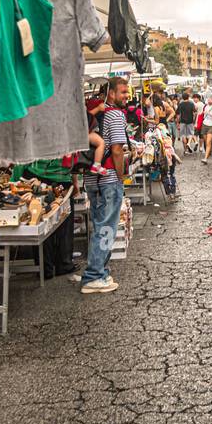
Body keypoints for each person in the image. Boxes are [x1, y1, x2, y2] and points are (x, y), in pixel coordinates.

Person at [82, 77, 131, 294]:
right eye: (122, 92)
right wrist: (121, 176)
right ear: (110, 93)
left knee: (98, 226)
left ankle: (99, 270)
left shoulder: (94, 113)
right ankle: (94, 275)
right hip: (109, 178)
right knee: (106, 228)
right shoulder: (115, 115)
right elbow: (118, 150)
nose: (126, 96)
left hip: (92, 179)